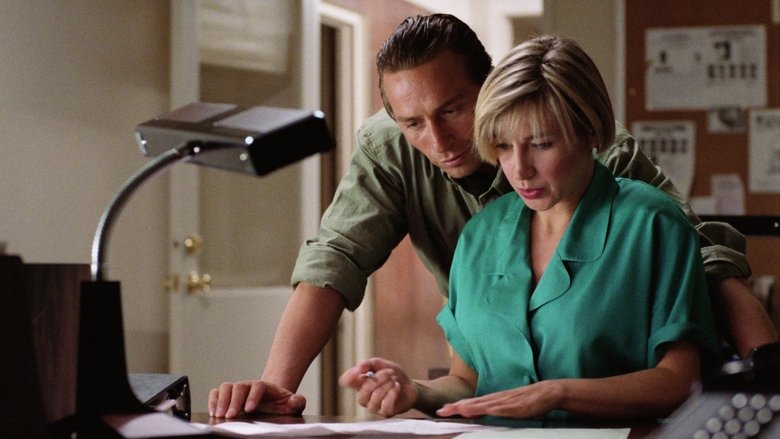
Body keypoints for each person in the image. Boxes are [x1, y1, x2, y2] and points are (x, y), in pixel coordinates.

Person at [208, 14, 777, 419]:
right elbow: (336, 258)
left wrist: (771, 387)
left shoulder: (613, 169)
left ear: (488, 88)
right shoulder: (462, 218)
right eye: (412, 123)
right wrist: (276, 392)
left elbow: (702, 260)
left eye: (453, 110)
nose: (437, 140)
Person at [339, 35, 721, 420]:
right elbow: (467, 382)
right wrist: (415, 391)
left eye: (541, 144)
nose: (520, 169)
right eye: (504, 146)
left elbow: (679, 381)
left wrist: (557, 394)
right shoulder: (480, 235)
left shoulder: (652, 222)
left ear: (590, 131)